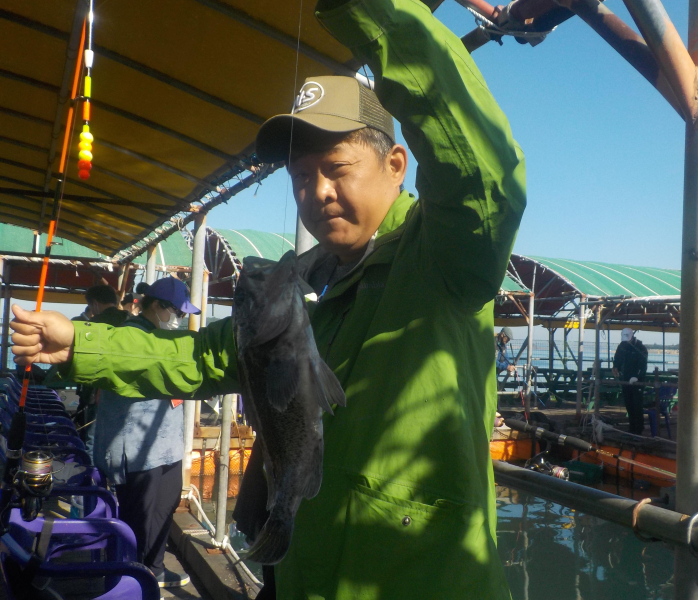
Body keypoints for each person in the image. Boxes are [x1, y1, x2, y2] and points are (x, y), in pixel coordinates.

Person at [10, 0, 526, 596]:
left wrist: (365, 9)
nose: (317, 192)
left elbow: (480, 173)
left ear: (395, 164)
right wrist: (78, 342)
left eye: (336, 168)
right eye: (301, 177)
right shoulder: (305, 285)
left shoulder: (446, 255)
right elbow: (198, 356)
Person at [89, 277, 198, 588]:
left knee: (165, 507)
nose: (180, 318)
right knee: (139, 516)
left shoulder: (163, 337)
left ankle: (155, 568)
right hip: (137, 447)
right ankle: (131, 579)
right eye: (177, 311)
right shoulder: (131, 335)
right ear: (156, 306)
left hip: (168, 445)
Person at [75, 286, 130, 458]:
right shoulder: (129, 321)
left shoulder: (93, 324)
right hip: (124, 390)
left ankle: (91, 472)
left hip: (97, 391)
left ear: (95, 304)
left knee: (91, 438)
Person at [612, 328, 648, 435]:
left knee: (637, 405)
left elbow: (643, 365)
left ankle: (639, 428)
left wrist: (637, 376)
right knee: (628, 404)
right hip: (625, 380)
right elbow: (617, 359)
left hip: (637, 382)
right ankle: (632, 427)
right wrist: (615, 367)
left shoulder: (640, 348)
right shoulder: (621, 346)